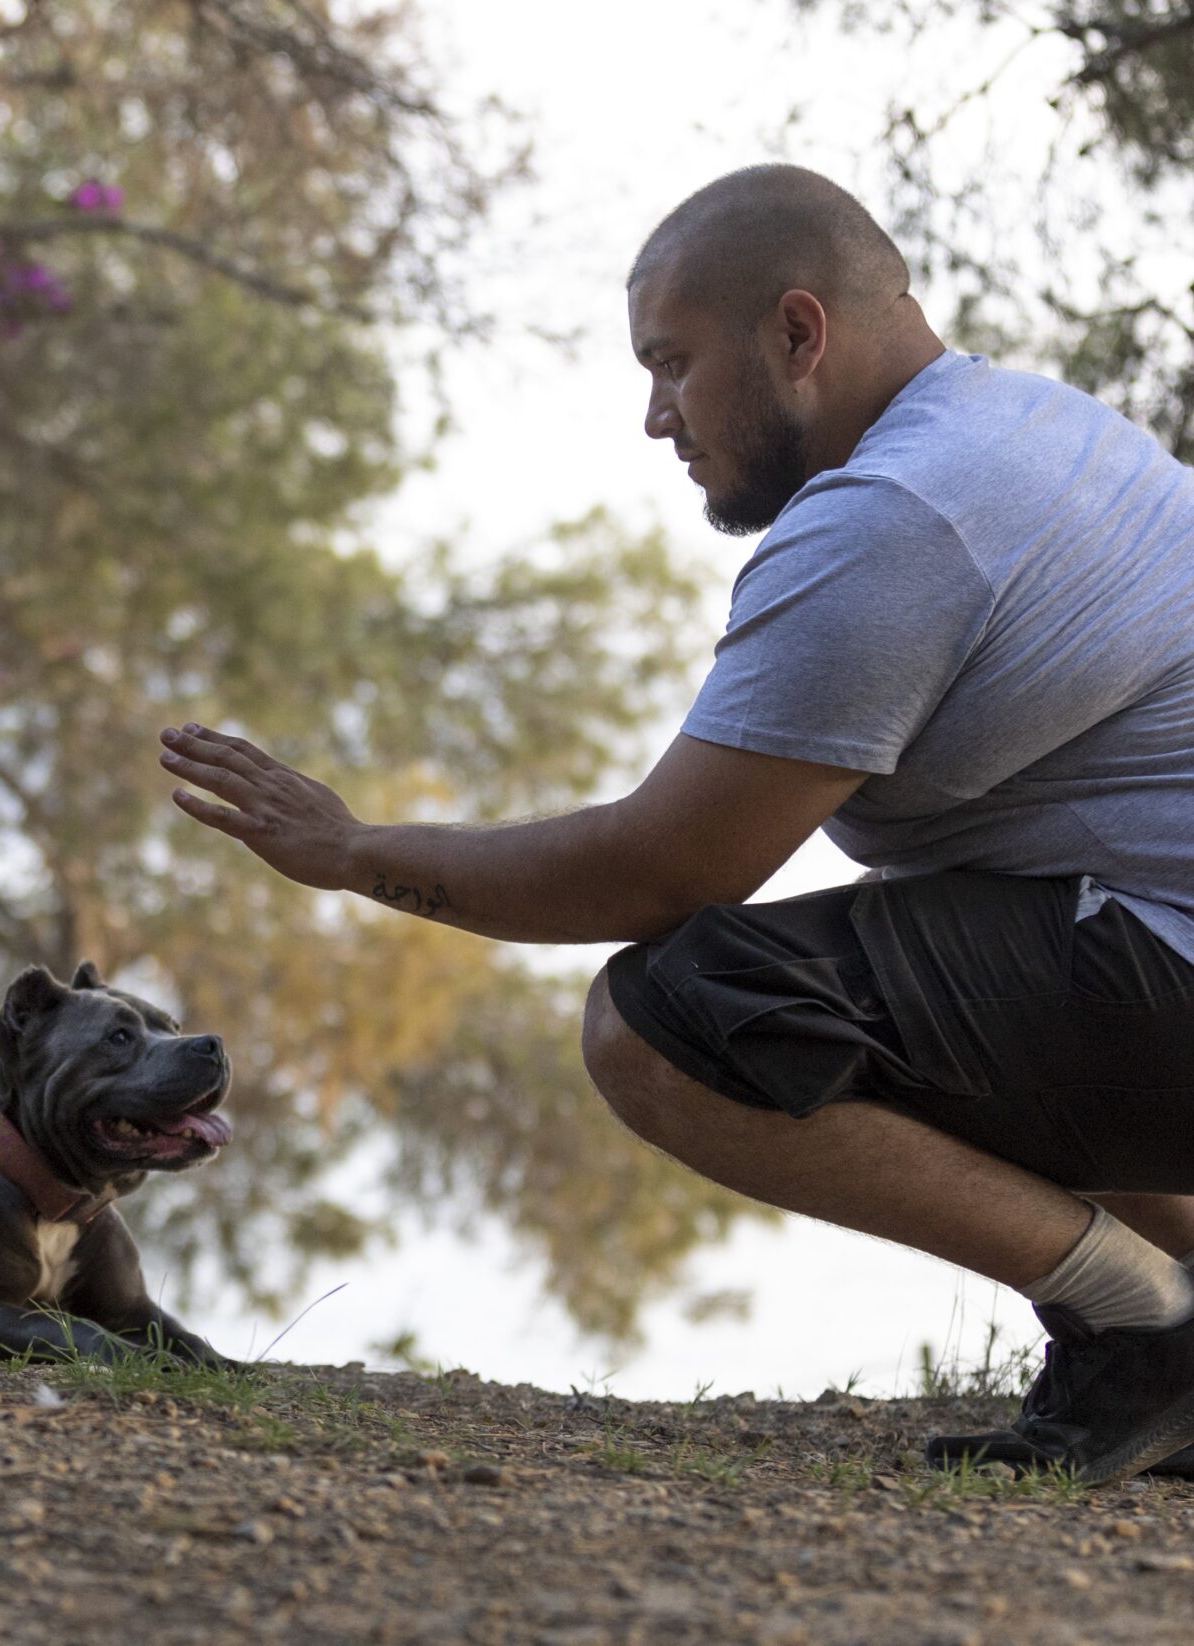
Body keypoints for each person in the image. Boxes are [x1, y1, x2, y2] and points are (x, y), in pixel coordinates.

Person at [159, 163, 1194, 1486]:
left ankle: (1146, 1328)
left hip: (1167, 969)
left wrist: (358, 851)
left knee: (674, 1020)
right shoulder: (1028, 432)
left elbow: (661, 869)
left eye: (672, 363)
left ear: (798, 334)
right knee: (933, 973)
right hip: (1153, 958)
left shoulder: (898, 518)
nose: (657, 417)